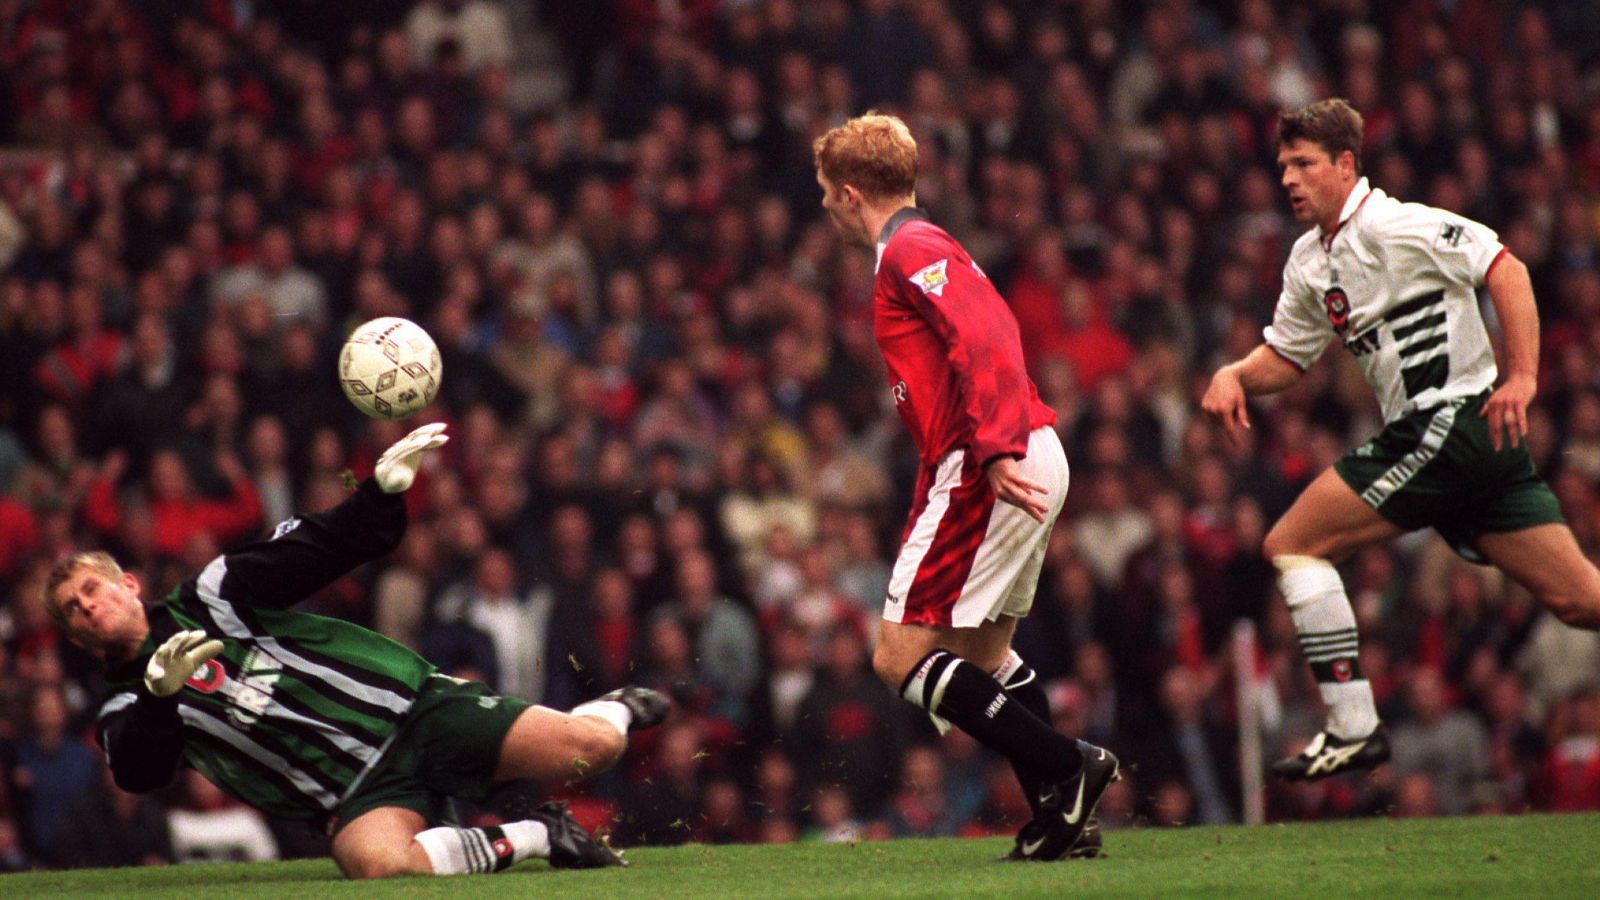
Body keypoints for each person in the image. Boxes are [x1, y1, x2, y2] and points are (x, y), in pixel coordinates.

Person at [45, 423, 671, 878]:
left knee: (595, 749)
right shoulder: (122, 709)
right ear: (76, 636)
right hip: (352, 794)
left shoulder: (210, 597)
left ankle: (612, 706)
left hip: (414, 713)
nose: (88, 607)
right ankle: (541, 835)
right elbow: (138, 772)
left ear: (127, 583)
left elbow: (310, 553)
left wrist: (378, 496)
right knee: (375, 867)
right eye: (74, 610)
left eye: (92, 589)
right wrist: (158, 697)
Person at [1202, 98, 1600, 781]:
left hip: (1450, 424)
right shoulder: (1309, 262)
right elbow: (1289, 359)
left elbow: (1505, 267)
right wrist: (1236, 374)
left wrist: (1523, 376)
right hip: (1468, 450)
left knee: (1291, 544)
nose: (1289, 179)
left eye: (1304, 164)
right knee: (1581, 601)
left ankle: (1354, 726)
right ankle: (1353, 727)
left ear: (1345, 164)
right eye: (1283, 167)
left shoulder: (1396, 225)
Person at [812, 113, 1118, 862]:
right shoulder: (926, 244)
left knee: (896, 657)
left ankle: (1067, 764)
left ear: (851, 195)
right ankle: (1061, 814)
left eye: (825, 192)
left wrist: (986, 450)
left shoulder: (908, 249)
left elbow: (985, 335)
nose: (822, 206)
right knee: (983, 656)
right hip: (1012, 447)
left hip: (995, 453)